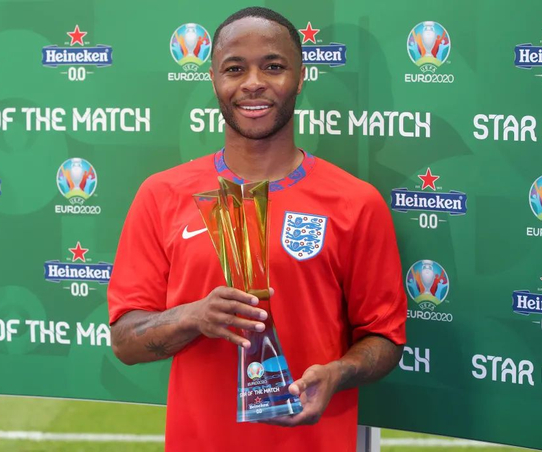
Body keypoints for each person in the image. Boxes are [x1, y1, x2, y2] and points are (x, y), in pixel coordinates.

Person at [108, 7, 406, 452]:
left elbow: (385, 338)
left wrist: (339, 373)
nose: (253, 83)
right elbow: (124, 342)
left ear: (300, 78)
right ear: (213, 80)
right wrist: (194, 316)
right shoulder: (162, 194)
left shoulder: (355, 202)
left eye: (273, 66)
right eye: (234, 68)